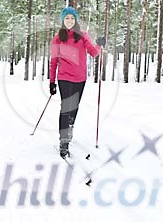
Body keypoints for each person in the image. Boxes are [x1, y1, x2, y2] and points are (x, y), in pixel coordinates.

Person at [49, 7, 106, 159]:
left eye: (72, 18)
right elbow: (54, 61)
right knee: (66, 108)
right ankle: (64, 141)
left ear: (76, 20)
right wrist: (52, 82)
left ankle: (70, 126)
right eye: (67, 18)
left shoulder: (82, 36)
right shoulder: (57, 38)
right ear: (63, 20)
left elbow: (93, 53)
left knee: (74, 108)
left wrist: (100, 45)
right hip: (64, 78)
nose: (69, 21)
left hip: (80, 79)